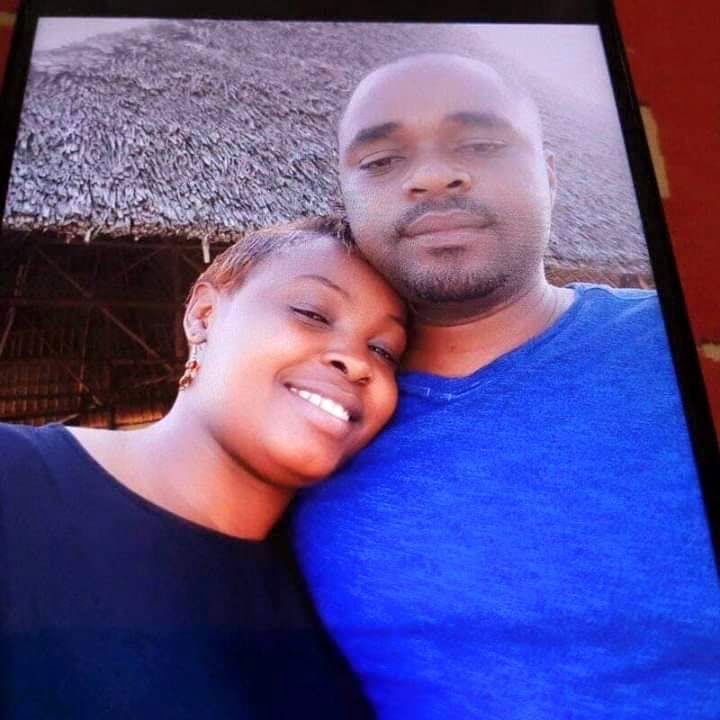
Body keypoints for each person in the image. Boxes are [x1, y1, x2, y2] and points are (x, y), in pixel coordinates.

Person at [292, 54, 720, 718]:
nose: (433, 176)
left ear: (549, 177)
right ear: (345, 201)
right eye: (380, 160)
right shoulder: (307, 416)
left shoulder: (682, 348)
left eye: (482, 145)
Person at [0, 216, 408, 719]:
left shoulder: (341, 585)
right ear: (204, 315)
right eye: (312, 313)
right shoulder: (14, 480)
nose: (358, 362)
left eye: (384, 350)